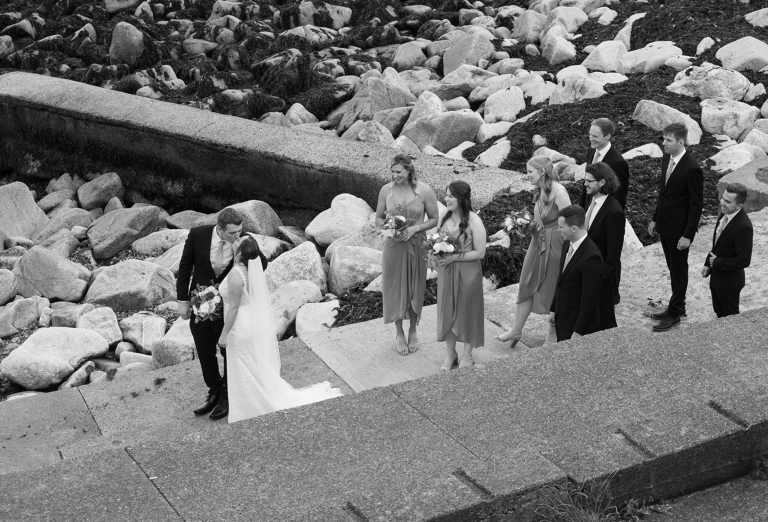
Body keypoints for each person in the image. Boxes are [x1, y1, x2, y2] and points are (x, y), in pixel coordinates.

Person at [219, 237, 343, 424]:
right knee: (251, 366)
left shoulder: (236, 274)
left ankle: (254, 406)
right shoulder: (249, 271)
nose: (235, 239)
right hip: (248, 321)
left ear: (239, 252)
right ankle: (249, 405)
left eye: (239, 240)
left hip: (239, 326)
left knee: (245, 367)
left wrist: (224, 333)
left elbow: (234, 308)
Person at [496, 155, 571, 347]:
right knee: (526, 283)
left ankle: (553, 335)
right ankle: (516, 330)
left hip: (555, 245)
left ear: (542, 172)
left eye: (530, 171)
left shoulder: (560, 193)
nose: (527, 175)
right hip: (537, 243)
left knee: (552, 289)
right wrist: (526, 227)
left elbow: (571, 223)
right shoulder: (540, 190)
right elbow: (541, 220)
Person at [177, 208, 243, 420]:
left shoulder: (242, 240)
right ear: (220, 229)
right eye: (233, 233)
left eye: (240, 231)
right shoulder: (198, 234)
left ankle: (226, 395)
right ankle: (214, 390)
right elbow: (185, 267)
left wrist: (244, 250)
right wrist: (182, 301)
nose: (238, 236)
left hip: (226, 306)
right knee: (204, 350)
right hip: (199, 304)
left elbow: (262, 264)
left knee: (227, 350)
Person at [375, 154, 439, 356]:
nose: (395, 176)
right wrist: (388, 228)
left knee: (414, 288)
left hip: (417, 245)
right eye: (392, 172)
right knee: (394, 289)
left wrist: (415, 229)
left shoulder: (425, 191)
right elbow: (378, 217)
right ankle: (399, 332)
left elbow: (434, 219)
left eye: (399, 172)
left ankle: (413, 330)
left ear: (409, 171)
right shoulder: (386, 190)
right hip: (394, 247)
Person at [648, 123, 704, 332]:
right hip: (665, 226)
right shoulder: (667, 158)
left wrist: (687, 235)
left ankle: (674, 315)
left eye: (668, 140)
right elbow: (664, 193)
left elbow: (696, 205)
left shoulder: (692, 168)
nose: (663, 143)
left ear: (681, 142)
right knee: (673, 269)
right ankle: (677, 306)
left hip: (680, 231)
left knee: (679, 272)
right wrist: (655, 219)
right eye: (663, 139)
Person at [435, 181, 486, 370]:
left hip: (468, 273)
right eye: (445, 194)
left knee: (468, 312)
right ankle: (450, 354)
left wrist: (453, 257)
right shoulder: (444, 216)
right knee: (448, 311)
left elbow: (480, 253)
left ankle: (467, 355)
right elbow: (436, 240)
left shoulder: (474, 221)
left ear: (461, 199)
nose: (446, 198)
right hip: (447, 273)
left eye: (450, 195)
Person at [579, 118, 630, 305]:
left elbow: (619, 197)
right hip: (589, 210)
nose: (590, 139)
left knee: (610, 253)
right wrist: (581, 210)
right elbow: (585, 185)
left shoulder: (618, 162)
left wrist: (605, 218)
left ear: (608, 136)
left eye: (595, 136)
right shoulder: (591, 151)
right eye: (590, 134)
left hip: (606, 215)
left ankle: (612, 293)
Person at [550, 205, 604, 342]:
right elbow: (561, 279)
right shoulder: (567, 244)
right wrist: (553, 309)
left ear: (573, 229)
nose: (558, 230)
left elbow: (590, 299)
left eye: (561, 227)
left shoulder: (592, 258)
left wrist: (579, 332)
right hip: (562, 318)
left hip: (576, 327)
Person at [582, 163, 625, 331]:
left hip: (601, 279)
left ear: (601, 182)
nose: (585, 184)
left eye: (589, 181)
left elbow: (614, 255)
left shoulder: (614, 212)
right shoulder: (590, 200)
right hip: (587, 272)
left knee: (605, 323)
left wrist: (602, 281)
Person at [702, 183, 753, 318]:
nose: (722, 203)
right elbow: (718, 244)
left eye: (727, 201)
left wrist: (716, 262)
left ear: (739, 206)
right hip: (717, 278)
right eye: (723, 198)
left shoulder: (744, 227)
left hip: (730, 283)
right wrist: (708, 263)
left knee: (731, 317)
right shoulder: (726, 213)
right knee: (719, 312)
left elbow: (744, 260)